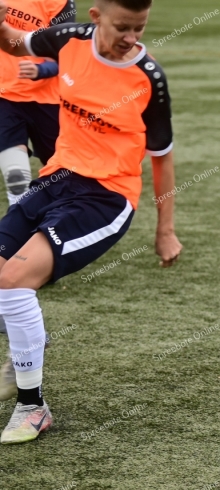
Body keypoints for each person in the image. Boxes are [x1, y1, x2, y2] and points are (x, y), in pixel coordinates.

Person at [0, 0, 183, 444]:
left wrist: (165, 230)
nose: (131, 38)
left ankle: (33, 406)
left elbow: (162, 159)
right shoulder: (68, 41)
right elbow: (18, 43)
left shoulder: (149, 77)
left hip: (106, 197)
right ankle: (26, 345)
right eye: (123, 26)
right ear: (97, 16)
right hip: (57, 179)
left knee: (14, 279)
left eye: (139, 28)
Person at [0, 0, 75, 205]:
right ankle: (17, 228)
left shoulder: (60, 3)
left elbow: (66, 53)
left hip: (48, 98)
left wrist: (42, 70)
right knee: (16, 179)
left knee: (63, 177)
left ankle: (59, 223)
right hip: (5, 96)